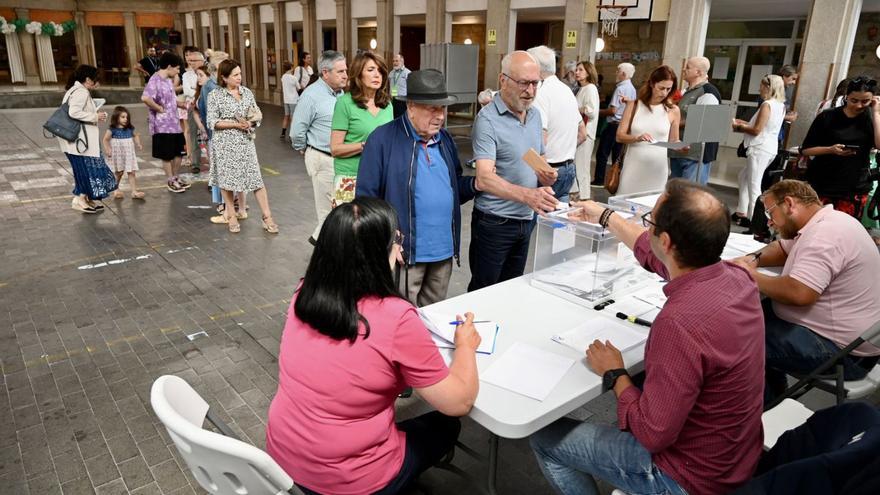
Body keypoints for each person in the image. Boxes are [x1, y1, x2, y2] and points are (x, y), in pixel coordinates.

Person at [531, 179, 765, 495]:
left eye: (649, 222)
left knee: (545, 439)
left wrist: (615, 374)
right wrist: (604, 216)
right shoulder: (737, 278)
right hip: (735, 457)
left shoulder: (680, 322)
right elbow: (655, 256)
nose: (647, 228)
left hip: (688, 477)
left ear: (666, 241)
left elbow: (653, 436)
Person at [265, 197, 481, 495]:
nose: (400, 247)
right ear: (381, 254)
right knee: (445, 425)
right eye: (396, 240)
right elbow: (459, 402)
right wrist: (466, 345)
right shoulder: (395, 317)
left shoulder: (304, 293)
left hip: (282, 464)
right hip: (350, 481)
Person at [731, 180, 880, 404]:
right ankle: (770, 396)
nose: (770, 221)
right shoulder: (824, 221)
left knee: (735, 338)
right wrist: (753, 260)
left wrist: (748, 275)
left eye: (771, 212)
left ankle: (754, 411)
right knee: (744, 316)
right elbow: (781, 248)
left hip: (844, 354)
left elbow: (800, 293)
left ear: (789, 204)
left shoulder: (824, 235)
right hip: (843, 338)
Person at [357, 69, 478, 306]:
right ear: (411, 106)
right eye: (432, 108)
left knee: (432, 316)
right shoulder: (382, 140)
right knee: (403, 319)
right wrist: (389, 239)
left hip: (443, 252)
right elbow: (365, 201)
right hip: (406, 254)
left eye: (442, 108)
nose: (440, 116)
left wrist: (476, 184)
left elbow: (453, 188)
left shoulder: (445, 140)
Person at [468, 51, 558, 292]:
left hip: (525, 220)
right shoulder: (487, 120)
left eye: (535, 83)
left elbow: (538, 158)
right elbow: (485, 178)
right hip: (494, 222)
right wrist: (529, 196)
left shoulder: (535, 115)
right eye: (523, 83)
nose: (530, 91)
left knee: (511, 289)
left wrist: (545, 174)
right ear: (503, 79)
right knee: (483, 291)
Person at [206, 59, 279, 234]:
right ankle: (231, 215)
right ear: (224, 77)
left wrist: (251, 123)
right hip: (225, 144)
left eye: (240, 74)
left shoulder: (246, 93)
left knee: (256, 180)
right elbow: (212, 122)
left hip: (246, 143)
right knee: (227, 181)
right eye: (235, 75)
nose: (239, 77)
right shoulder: (215, 96)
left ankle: (267, 216)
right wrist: (235, 125)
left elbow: (256, 115)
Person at [801, 76, 880, 219]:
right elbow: (806, 149)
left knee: (844, 233)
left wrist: (876, 113)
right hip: (822, 182)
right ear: (846, 96)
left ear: (873, 100)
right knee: (816, 229)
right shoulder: (827, 116)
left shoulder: (872, 118)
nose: (858, 105)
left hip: (854, 186)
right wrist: (830, 149)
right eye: (854, 100)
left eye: (865, 101)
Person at [292, 51, 347, 245]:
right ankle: (324, 256)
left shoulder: (340, 94)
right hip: (323, 158)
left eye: (345, 70)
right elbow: (297, 130)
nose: (345, 75)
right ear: (325, 72)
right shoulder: (311, 95)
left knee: (340, 209)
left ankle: (323, 245)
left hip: (341, 160)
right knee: (327, 213)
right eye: (340, 71)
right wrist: (304, 148)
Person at [330, 52, 394, 206]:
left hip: (379, 177)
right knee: (348, 228)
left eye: (380, 71)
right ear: (359, 74)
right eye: (371, 70)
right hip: (350, 177)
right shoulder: (345, 103)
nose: (377, 75)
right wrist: (364, 146)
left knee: (376, 227)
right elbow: (335, 148)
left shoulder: (387, 105)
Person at [527, 45, 584, 203]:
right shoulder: (567, 91)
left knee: (536, 222)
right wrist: (564, 150)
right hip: (568, 168)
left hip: (549, 170)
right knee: (558, 224)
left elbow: (541, 139)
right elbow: (582, 133)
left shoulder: (540, 93)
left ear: (535, 67)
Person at [615, 65, 682, 195]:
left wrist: (681, 146)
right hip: (633, 167)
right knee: (624, 206)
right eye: (661, 88)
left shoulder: (673, 110)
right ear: (652, 84)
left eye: (668, 89)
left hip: (657, 169)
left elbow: (674, 141)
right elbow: (619, 136)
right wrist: (637, 138)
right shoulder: (634, 105)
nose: (664, 93)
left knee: (652, 209)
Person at [59, 65, 117, 213]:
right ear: (88, 79)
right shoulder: (81, 92)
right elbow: (74, 112)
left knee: (83, 169)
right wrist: (95, 116)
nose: (97, 82)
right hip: (81, 141)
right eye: (95, 79)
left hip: (75, 140)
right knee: (85, 170)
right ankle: (79, 198)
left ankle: (85, 198)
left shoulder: (73, 90)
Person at [731, 74, 786, 224]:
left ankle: (756, 221)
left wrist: (738, 127)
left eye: (761, 85)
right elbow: (762, 126)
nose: (759, 88)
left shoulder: (767, 104)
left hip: (759, 148)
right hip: (769, 147)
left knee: (754, 186)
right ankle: (742, 211)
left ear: (769, 87)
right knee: (743, 177)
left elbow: (756, 130)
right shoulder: (780, 105)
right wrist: (743, 123)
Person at [141, 51, 189, 193]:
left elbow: (171, 100)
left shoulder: (168, 81)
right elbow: (145, 98)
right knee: (167, 154)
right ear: (169, 66)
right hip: (162, 125)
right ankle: (170, 180)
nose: (178, 71)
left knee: (179, 152)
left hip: (174, 123)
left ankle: (175, 176)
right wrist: (158, 108)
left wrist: (182, 104)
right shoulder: (154, 80)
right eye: (177, 68)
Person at [669, 56, 721, 185]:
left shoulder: (709, 92)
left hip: (695, 155)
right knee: (676, 194)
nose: (683, 69)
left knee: (690, 195)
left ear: (698, 72)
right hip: (679, 151)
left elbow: (702, 120)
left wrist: (672, 123)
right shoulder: (686, 91)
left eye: (687, 67)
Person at [592, 63, 637, 186]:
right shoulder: (632, 89)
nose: (615, 73)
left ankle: (599, 180)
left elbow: (613, 110)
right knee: (617, 156)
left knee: (602, 153)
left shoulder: (620, 88)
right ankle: (615, 180)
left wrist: (597, 112)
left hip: (614, 125)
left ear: (623, 73)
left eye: (617, 71)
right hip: (624, 125)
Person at [102, 106, 144, 200]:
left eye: (127, 117)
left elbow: (136, 135)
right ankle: (116, 189)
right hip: (118, 154)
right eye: (123, 117)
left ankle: (134, 191)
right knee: (119, 172)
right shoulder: (112, 129)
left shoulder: (130, 128)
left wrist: (138, 143)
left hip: (128, 153)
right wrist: (107, 149)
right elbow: (105, 139)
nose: (126, 119)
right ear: (116, 117)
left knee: (131, 172)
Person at [573, 61, 600, 200]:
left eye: (581, 70)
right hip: (580, 132)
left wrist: (576, 109)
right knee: (578, 165)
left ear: (588, 72)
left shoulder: (590, 88)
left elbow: (592, 111)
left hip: (586, 133)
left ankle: (584, 197)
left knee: (582, 167)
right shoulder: (582, 89)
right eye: (576, 70)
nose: (577, 72)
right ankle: (579, 195)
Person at [182, 47, 205, 173]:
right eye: (189, 60)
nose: (190, 63)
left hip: (205, 105)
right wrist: (198, 93)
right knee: (193, 133)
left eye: (193, 60)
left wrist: (196, 92)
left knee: (208, 135)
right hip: (192, 106)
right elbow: (187, 91)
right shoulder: (186, 75)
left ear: (201, 60)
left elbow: (205, 88)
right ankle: (195, 163)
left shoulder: (207, 73)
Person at [778, 65, 799, 143]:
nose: (794, 82)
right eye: (793, 79)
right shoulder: (772, 90)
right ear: (784, 76)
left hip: (778, 132)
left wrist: (788, 112)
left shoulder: (784, 89)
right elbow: (768, 113)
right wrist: (787, 117)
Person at [389, 53, 411, 118]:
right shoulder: (391, 73)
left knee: (402, 119)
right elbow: (390, 85)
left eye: (396, 61)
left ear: (402, 61)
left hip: (403, 101)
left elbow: (411, 88)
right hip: (393, 99)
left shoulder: (408, 73)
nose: (394, 63)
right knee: (393, 118)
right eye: (393, 61)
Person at [280, 62, 297, 140]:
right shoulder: (293, 78)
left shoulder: (283, 77)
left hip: (286, 99)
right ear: (290, 68)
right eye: (292, 67)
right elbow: (299, 87)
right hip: (293, 99)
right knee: (293, 117)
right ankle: (291, 134)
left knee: (286, 116)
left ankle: (283, 133)